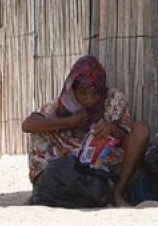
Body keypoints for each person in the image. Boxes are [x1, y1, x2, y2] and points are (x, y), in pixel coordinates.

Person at [22, 55, 149, 207]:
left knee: (142, 129)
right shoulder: (64, 103)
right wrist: (69, 122)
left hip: (103, 163)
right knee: (39, 129)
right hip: (66, 164)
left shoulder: (114, 100)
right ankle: (42, 189)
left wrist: (112, 129)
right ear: (72, 89)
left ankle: (117, 192)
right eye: (83, 93)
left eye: (95, 94)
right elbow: (28, 124)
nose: (89, 99)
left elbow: (126, 135)